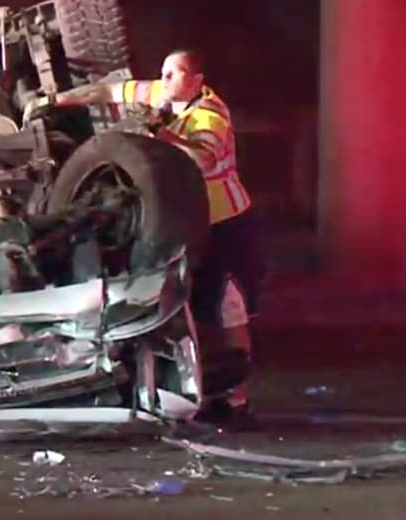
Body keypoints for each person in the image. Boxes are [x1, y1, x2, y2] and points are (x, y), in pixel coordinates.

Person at [23, 49, 265, 426]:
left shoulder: (211, 115)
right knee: (185, 305)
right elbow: (108, 92)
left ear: (197, 80)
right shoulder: (163, 94)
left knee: (226, 307)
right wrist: (53, 100)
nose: (164, 81)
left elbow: (201, 159)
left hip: (224, 223)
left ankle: (237, 401)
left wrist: (161, 132)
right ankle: (194, 393)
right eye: (163, 72)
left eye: (174, 74)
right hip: (187, 220)